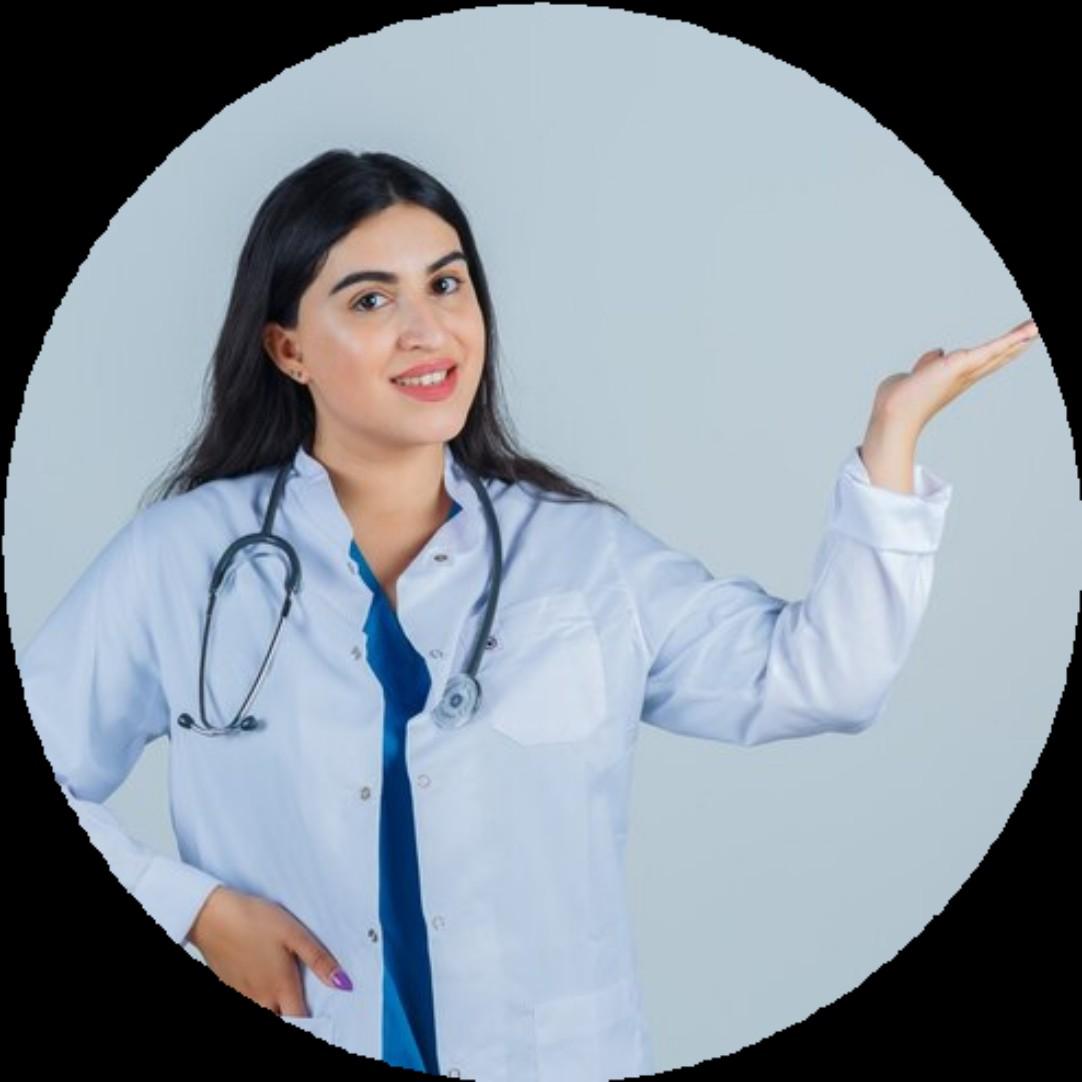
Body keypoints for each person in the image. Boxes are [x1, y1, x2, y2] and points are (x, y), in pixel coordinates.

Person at [15, 147, 1039, 1081]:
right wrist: (192, 911)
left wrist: (892, 437)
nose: (428, 331)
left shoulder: (583, 556)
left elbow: (824, 680)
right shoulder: (184, 561)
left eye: (446, 284)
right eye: (369, 300)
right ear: (287, 348)